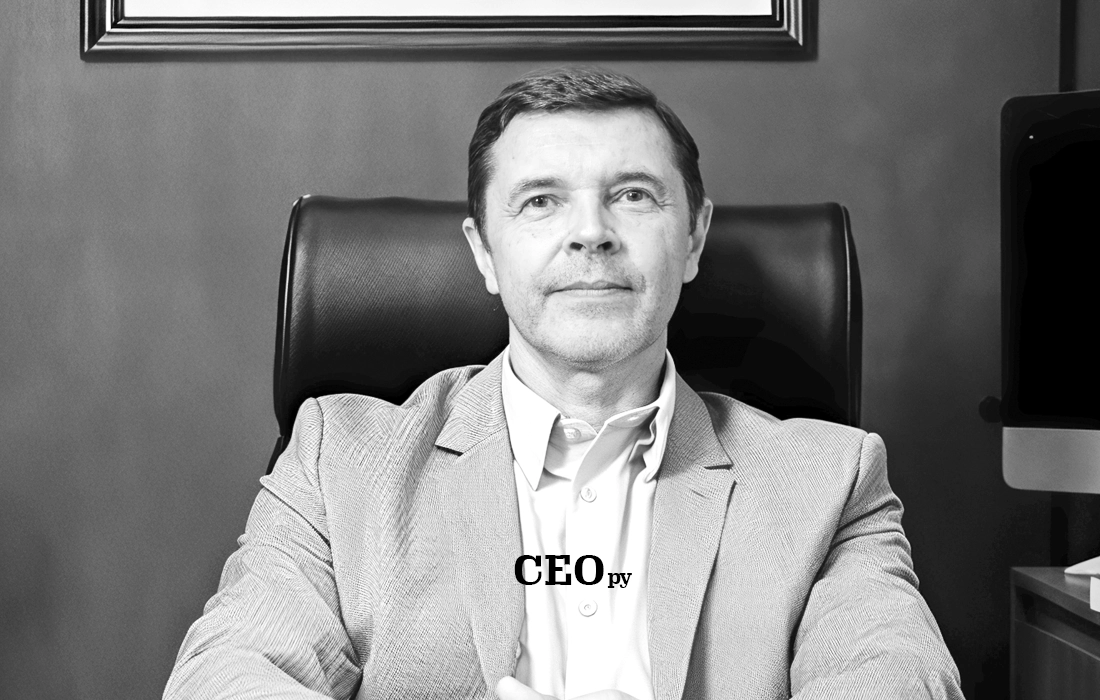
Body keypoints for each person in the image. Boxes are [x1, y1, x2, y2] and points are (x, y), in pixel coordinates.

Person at [164, 67, 962, 700]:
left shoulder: (831, 481)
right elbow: (228, 675)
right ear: (484, 252)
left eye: (632, 195)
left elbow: (897, 679)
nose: (591, 233)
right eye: (542, 201)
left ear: (694, 238)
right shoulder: (339, 462)